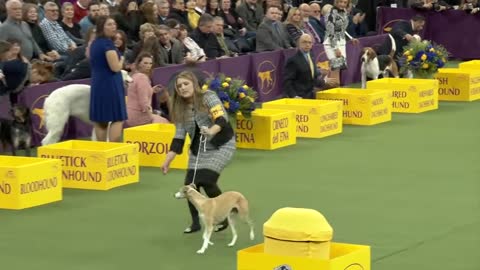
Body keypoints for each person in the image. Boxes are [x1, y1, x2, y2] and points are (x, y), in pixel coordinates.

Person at [161, 70, 235, 234]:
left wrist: (211, 131)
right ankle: (196, 223)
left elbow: (221, 118)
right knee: (190, 185)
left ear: (193, 84)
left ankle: (224, 215)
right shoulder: (179, 108)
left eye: (185, 84)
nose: (182, 88)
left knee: (207, 180)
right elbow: (179, 137)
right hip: (198, 148)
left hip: (221, 144)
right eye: (179, 86)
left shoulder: (208, 96)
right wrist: (168, 160)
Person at [89, 15, 127, 142]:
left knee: (101, 119)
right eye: (109, 24)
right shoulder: (108, 45)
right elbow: (115, 68)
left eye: (114, 24)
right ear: (101, 27)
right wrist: (121, 59)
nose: (113, 27)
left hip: (98, 83)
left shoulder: (94, 43)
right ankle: (113, 150)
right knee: (117, 117)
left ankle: (101, 150)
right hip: (110, 84)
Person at [283, 33, 337, 99]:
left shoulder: (311, 57)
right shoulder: (293, 60)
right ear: (299, 44)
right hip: (299, 97)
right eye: (304, 42)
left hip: (310, 95)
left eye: (309, 42)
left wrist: (324, 81)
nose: (307, 45)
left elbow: (312, 78)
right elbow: (287, 81)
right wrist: (294, 96)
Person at [125, 52, 169, 127]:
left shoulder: (134, 76)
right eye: (145, 63)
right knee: (165, 122)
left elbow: (138, 94)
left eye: (150, 63)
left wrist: (151, 90)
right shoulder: (142, 78)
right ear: (139, 63)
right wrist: (150, 116)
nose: (148, 66)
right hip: (138, 116)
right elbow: (143, 102)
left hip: (129, 115)